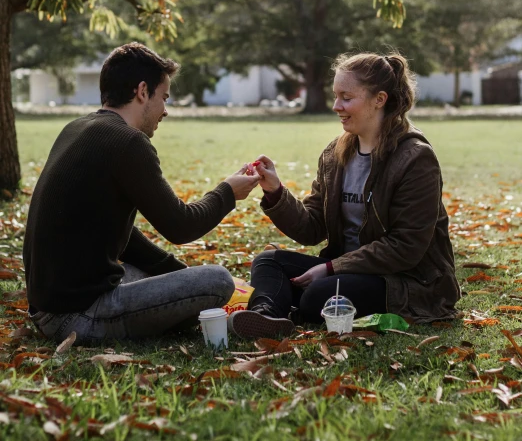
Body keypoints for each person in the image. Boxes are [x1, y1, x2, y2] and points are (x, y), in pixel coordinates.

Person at [23, 43, 260, 345]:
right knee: (217, 281)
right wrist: (228, 192)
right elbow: (181, 225)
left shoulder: (77, 128)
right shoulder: (128, 142)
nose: (165, 110)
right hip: (78, 317)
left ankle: (205, 305)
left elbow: (121, 236)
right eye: (164, 98)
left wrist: (181, 276)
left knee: (160, 275)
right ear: (142, 91)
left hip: (47, 307)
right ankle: (221, 312)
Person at [229, 52, 460, 340]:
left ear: (380, 99)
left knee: (318, 294)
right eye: (335, 96)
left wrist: (330, 268)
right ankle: (267, 317)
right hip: (344, 269)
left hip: (405, 280)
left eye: (346, 97)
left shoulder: (415, 158)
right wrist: (275, 191)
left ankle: (289, 305)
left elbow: (406, 247)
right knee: (268, 261)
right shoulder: (335, 153)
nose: (336, 106)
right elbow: (312, 228)